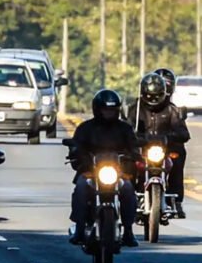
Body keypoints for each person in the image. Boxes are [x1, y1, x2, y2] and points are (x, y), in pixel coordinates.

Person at [69, 89, 140, 247]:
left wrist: (134, 156)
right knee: (81, 187)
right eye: (105, 110)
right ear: (97, 109)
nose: (109, 113)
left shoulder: (125, 129)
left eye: (112, 110)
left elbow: (134, 147)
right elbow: (76, 146)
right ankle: (79, 228)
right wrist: (78, 155)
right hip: (91, 172)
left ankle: (128, 230)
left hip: (117, 173)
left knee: (128, 190)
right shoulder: (86, 128)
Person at [127, 71, 191, 218]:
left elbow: (184, 133)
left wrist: (169, 138)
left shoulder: (171, 109)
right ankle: (128, 197)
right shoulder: (135, 109)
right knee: (126, 161)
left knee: (178, 155)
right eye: (150, 96)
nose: (153, 99)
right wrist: (135, 137)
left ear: (164, 93)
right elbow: (126, 128)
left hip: (165, 149)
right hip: (141, 149)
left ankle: (176, 199)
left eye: (157, 95)